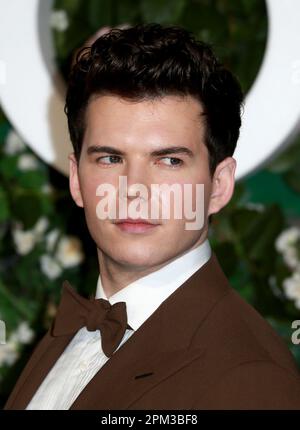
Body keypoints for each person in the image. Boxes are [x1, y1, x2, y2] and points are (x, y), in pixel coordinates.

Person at [5, 23, 300, 410]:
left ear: (219, 185)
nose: (134, 189)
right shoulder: (69, 333)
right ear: (77, 180)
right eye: (111, 158)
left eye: (169, 161)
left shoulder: (251, 376)